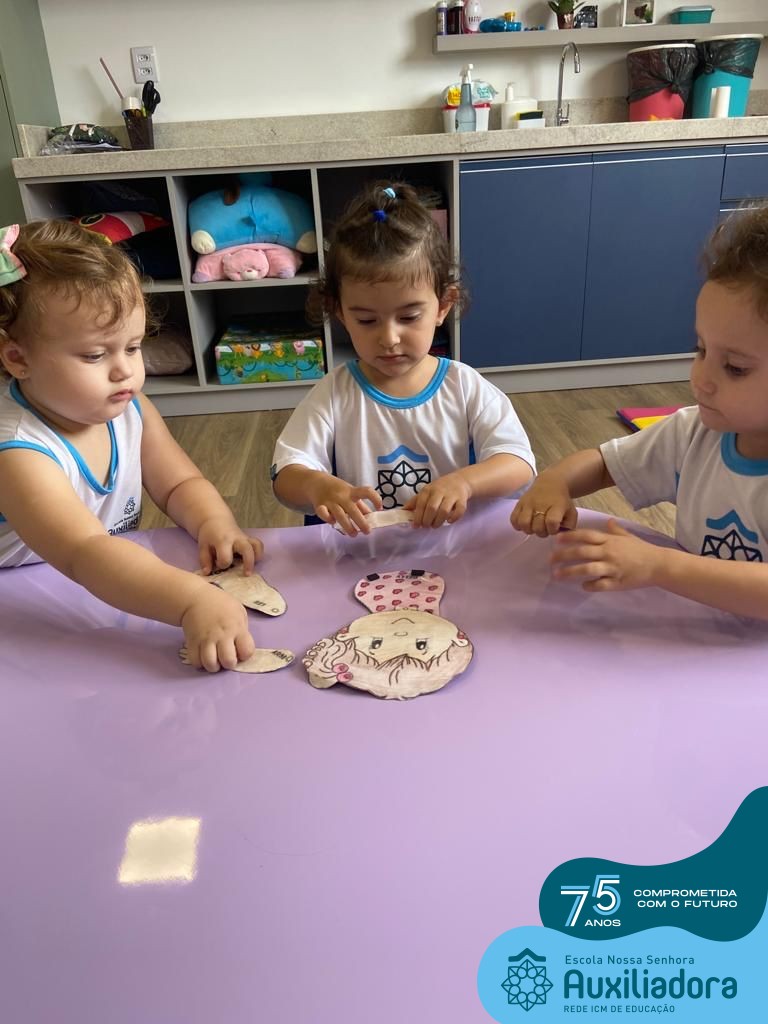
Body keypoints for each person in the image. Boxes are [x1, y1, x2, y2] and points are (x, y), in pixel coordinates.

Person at [0, 220, 262, 671]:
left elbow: (179, 483)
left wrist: (214, 522)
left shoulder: (128, 407)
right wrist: (190, 600)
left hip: (94, 585)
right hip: (24, 606)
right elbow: (86, 550)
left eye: (134, 347)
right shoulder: (19, 452)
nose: (124, 370)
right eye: (95, 355)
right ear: (18, 358)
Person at [511, 204, 768, 621]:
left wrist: (660, 566)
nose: (701, 378)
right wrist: (555, 481)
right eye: (701, 349)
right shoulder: (693, 433)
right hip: (698, 635)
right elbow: (604, 464)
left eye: (735, 367)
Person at [271, 182, 535, 536]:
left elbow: (518, 462)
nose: (389, 338)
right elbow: (285, 473)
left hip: (454, 551)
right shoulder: (333, 394)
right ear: (340, 313)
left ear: (443, 306)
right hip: (363, 554)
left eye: (409, 317)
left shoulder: (464, 387)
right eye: (367, 321)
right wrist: (318, 486)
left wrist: (465, 483)